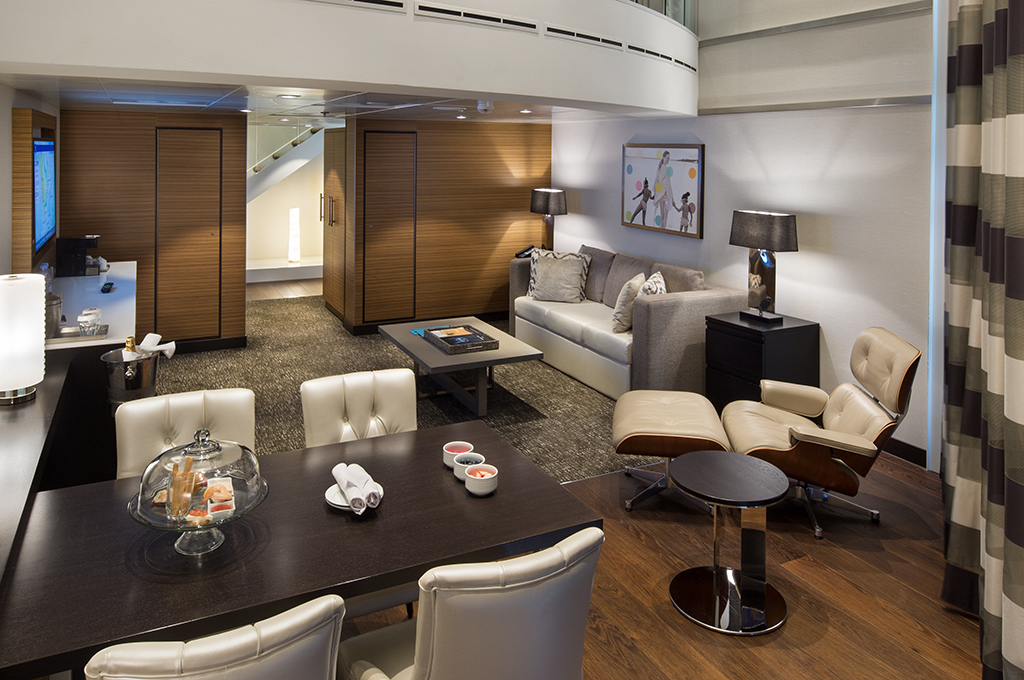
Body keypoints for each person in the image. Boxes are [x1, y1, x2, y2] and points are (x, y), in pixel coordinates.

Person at [652, 151, 676, 229]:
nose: (668, 160)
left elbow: (656, 181)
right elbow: (668, 185)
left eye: (669, 158)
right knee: (665, 218)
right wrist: (672, 198)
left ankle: (660, 231)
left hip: (661, 196)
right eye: (667, 158)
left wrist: (655, 193)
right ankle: (663, 231)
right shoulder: (667, 169)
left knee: (662, 216)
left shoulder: (659, 168)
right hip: (666, 196)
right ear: (663, 157)